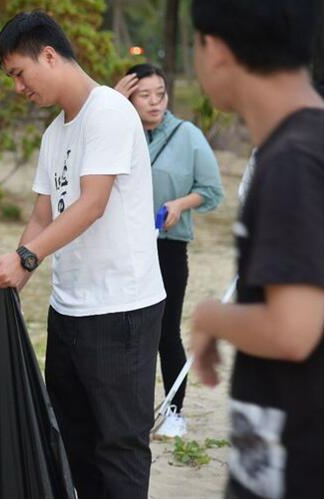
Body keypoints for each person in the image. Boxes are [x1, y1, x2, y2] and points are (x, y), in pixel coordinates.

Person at [0, 11, 166, 498]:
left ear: (48, 54)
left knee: (118, 445)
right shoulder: (54, 134)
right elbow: (43, 216)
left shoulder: (107, 112)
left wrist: (26, 258)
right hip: (70, 308)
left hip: (121, 309)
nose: (18, 88)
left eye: (19, 73)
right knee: (74, 440)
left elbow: (92, 203)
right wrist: (16, 271)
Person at [189, 0, 323, 497]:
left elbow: (293, 331)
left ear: (217, 48)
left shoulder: (294, 160)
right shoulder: (306, 145)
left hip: (296, 463)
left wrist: (209, 317)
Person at [114, 63, 224, 437]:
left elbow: (212, 192)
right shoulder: (116, 131)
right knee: (123, 331)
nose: (155, 102)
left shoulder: (187, 135)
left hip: (167, 249)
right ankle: (128, 413)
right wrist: (111, 105)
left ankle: (174, 411)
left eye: (160, 93)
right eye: (144, 95)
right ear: (128, 97)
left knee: (165, 332)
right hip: (122, 246)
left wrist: (180, 204)